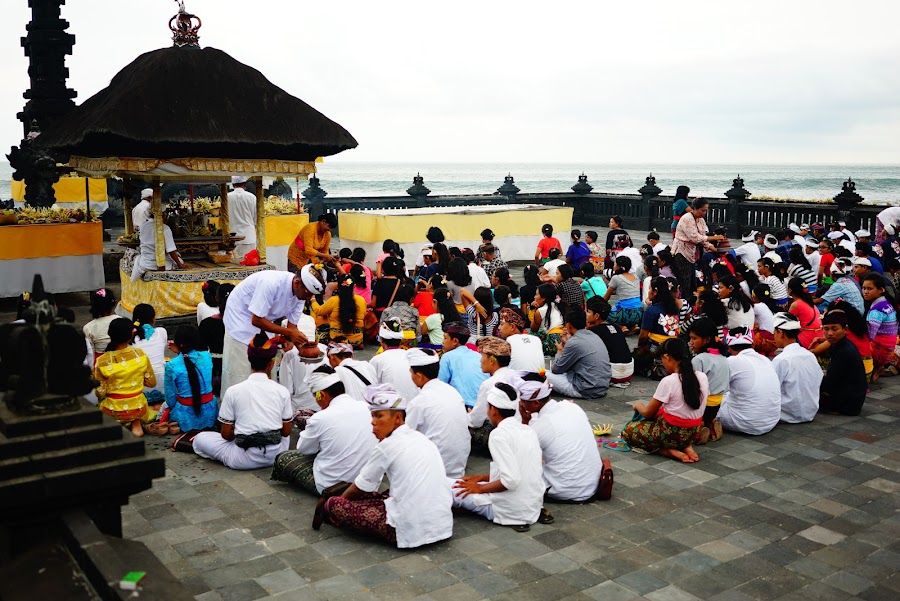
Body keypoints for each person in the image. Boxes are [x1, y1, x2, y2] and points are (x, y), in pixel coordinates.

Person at [315, 384, 454, 548]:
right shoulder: (421, 438)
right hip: (442, 525)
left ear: (397, 419)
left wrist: (336, 502)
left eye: (379, 416)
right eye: (372, 416)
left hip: (410, 531)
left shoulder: (386, 446)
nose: (373, 422)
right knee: (382, 495)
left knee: (335, 504)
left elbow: (360, 487)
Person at [451, 382, 545, 532]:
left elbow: (511, 480)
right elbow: (520, 471)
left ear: (493, 410)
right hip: (531, 507)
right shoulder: (527, 430)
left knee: (448, 487)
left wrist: (479, 489)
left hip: (508, 510)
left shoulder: (498, 435)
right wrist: (481, 478)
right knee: (459, 483)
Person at [272, 366, 377, 495]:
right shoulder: (367, 407)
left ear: (321, 394)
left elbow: (305, 449)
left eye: (314, 397)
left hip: (332, 485)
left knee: (284, 458)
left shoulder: (320, 418)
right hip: (368, 484)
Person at [193, 332, 292, 469]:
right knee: (285, 436)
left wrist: (245, 435)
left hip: (242, 459)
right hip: (276, 455)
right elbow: (286, 432)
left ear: (249, 359)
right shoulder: (282, 391)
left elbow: (226, 435)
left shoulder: (233, 391)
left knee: (200, 439)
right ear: (271, 363)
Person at [221, 266, 318, 395]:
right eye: (308, 293)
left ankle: (264, 402)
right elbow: (256, 320)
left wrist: (300, 346)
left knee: (266, 372)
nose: (309, 298)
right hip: (240, 320)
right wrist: (288, 333)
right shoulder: (271, 283)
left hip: (264, 320)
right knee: (241, 373)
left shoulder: (301, 294)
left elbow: (292, 327)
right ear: (297, 283)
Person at [621, 338, 707, 463]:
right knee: (662, 416)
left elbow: (647, 413)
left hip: (670, 433)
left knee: (628, 431)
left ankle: (666, 450)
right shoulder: (702, 376)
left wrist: (638, 405)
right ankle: (686, 446)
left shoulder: (669, 381)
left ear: (667, 357)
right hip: (691, 433)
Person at [517, 375, 601, 502]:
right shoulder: (572, 407)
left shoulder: (543, 425)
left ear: (535, 403)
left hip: (566, 490)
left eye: (522, 400)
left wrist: (524, 421)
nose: (520, 404)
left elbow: (520, 451)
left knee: (517, 473)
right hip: (592, 485)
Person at [406, 348, 471, 478]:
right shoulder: (452, 391)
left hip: (434, 469)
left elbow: (406, 436)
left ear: (419, 376)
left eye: (411, 373)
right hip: (459, 465)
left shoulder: (418, 402)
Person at [93, 318, 157, 437]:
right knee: (140, 403)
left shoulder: (102, 361)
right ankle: (136, 422)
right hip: (139, 406)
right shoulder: (140, 354)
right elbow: (152, 383)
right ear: (131, 335)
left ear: (110, 335)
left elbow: (100, 393)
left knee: (102, 406)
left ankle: (120, 424)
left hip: (114, 409)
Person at [717, 327, 781, 436]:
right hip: (771, 421)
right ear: (752, 345)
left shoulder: (732, 360)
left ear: (729, 348)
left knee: (709, 400)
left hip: (746, 423)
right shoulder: (766, 360)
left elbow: (714, 387)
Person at [467, 336, 524, 451]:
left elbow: (475, 422)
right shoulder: (518, 376)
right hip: (521, 430)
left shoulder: (488, 384)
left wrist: (467, 415)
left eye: (482, 356)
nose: (480, 360)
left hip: (505, 437)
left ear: (492, 360)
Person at [158, 325, 218, 433]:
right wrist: (180, 350)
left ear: (177, 343)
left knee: (164, 406)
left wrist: (179, 351)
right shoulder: (207, 356)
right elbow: (189, 362)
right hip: (210, 412)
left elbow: (170, 398)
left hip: (184, 416)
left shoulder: (171, 365)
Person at [546, 308, 611, 399]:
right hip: (602, 387)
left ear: (568, 325)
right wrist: (567, 343)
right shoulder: (594, 336)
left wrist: (560, 350)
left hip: (585, 389)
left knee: (542, 374)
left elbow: (556, 369)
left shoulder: (574, 342)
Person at [770, 312, 822, 424]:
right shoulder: (810, 355)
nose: (774, 336)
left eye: (774, 332)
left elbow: (771, 390)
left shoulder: (782, 360)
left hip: (786, 414)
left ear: (780, 332)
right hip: (810, 413)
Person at [818, 309, 867, 415]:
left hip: (849, 403)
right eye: (826, 329)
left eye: (834, 329)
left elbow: (830, 382)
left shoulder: (843, 350)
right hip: (852, 398)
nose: (830, 333)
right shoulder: (843, 345)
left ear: (845, 329)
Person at [688, 318, 729, 444]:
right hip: (717, 404)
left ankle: (698, 430)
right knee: (708, 417)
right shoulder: (724, 358)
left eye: (694, 339)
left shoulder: (699, 359)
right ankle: (710, 424)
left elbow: (694, 387)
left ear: (706, 340)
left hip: (703, 405)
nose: (690, 342)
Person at [671, 198, 723, 296]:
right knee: (685, 279)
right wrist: (714, 238)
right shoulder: (687, 218)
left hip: (694, 252)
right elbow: (695, 237)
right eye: (702, 210)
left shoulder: (701, 220)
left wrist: (714, 249)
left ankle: (692, 299)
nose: (704, 213)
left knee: (693, 279)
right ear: (695, 208)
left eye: (706, 210)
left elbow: (703, 237)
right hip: (682, 251)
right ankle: (686, 301)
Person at [634, 277, 681, 379]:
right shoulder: (674, 307)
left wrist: (640, 349)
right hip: (674, 346)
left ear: (655, 292)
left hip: (657, 348)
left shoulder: (651, 310)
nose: (649, 291)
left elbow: (643, 336)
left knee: (634, 358)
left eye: (650, 289)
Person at [585, 297, 633, 388]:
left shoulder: (593, 331)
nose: (586, 315)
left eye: (588, 312)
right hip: (629, 371)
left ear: (597, 316)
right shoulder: (616, 327)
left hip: (612, 374)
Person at [438, 321, 488, 408]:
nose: (442, 342)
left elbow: (441, 384)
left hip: (463, 405)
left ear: (455, 341)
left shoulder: (447, 357)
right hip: (484, 405)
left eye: (445, 338)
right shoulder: (477, 355)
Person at [369, 318, 420, 402]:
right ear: (400, 341)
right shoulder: (411, 356)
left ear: (381, 340)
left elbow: (372, 388)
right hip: (413, 404)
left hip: (391, 408)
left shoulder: (377, 360)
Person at [311, 273, 367, 347]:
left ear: (338, 287)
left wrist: (313, 300)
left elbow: (318, 311)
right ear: (354, 286)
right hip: (357, 341)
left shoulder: (333, 300)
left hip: (337, 340)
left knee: (315, 315)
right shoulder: (362, 300)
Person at [860, 273, 900, 380]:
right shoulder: (886, 303)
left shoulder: (877, 310)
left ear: (880, 290)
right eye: (864, 288)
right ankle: (877, 367)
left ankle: (874, 366)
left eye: (870, 288)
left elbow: (869, 336)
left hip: (881, 352)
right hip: (889, 349)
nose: (865, 291)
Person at [130, 210, 184, 281]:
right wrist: (180, 265)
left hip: (145, 264)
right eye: (165, 214)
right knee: (179, 260)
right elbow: (171, 251)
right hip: (162, 266)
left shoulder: (143, 226)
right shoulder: (165, 228)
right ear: (162, 215)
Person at [131, 303, 167, 396]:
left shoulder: (130, 337)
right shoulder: (161, 332)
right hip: (162, 381)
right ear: (153, 319)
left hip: (141, 384)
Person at [497, 308, 545, 373]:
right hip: (541, 380)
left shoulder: (509, 342)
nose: (499, 328)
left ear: (512, 327)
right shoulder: (536, 339)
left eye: (502, 324)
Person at [603, 256, 643, 333]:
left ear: (618, 266)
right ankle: (633, 325)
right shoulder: (636, 277)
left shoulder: (616, 278)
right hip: (638, 313)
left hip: (625, 313)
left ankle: (621, 327)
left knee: (604, 314)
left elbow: (606, 298)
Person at [530, 283, 567, 356]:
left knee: (532, 335)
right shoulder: (561, 306)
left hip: (553, 343)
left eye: (536, 294)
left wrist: (533, 309)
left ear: (543, 298)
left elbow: (533, 328)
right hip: (565, 338)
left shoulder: (540, 311)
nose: (534, 297)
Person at [786, 278, 823, 348]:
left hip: (808, 338)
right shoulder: (809, 301)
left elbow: (788, 322)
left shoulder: (796, 304)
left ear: (790, 290)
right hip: (819, 335)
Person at [228, 176, 258, 259]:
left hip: (232, 237)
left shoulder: (227, 197)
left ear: (233, 185)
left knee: (233, 266)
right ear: (245, 184)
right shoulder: (251, 197)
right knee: (249, 264)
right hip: (248, 236)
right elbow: (256, 217)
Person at [83, 288, 119, 358]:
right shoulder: (122, 320)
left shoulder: (88, 327)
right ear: (114, 302)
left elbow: (90, 352)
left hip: (100, 362)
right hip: (123, 359)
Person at [750, 283, 778, 356]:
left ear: (754, 295)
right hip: (774, 338)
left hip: (766, 340)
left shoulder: (757, 307)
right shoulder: (766, 305)